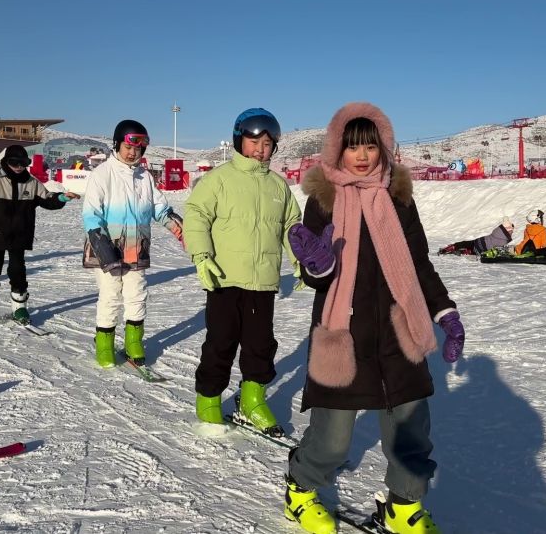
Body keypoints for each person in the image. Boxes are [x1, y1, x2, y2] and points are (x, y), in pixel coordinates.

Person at [283, 102, 464, 534]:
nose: (362, 155)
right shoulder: (323, 201)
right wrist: (318, 263)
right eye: (352, 146)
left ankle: (404, 506)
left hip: (401, 331)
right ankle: (301, 490)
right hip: (345, 331)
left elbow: (419, 264)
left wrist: (446, 311)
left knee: (411, 432)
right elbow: (318, 275)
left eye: (370, 145)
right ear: (336, 151)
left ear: (384, 148)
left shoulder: (399, 199)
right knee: (332, 437)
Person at [182, 108, 301, 434]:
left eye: (267, 143)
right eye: (254, 141)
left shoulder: (278, 186)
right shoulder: (219, 179)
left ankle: (252, 398)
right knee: (220, 341)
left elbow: (292, 227)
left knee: (260, 343)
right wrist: (202, 255)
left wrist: (302, 261)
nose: (261, 149)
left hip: (262, 281)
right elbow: (196, 214)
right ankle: (208, 398)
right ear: (239, 140)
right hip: (224, 278)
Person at [82, 119, 184, 369]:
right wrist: (103, 247)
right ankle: (105, 342)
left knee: (137, 294)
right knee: (110, 295)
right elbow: (91, 213)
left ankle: (133, 341)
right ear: (117, 145)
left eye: (138, 149)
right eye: (129, 147)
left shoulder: (144, 177)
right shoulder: (102, 174)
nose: (133, 153)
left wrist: (181, 230)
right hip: (106, 246)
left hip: (135, 247)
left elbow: (159, 209)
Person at [0, 145, 79, 323]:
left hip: (19, 234)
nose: (18, 167)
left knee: (17, 271)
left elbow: (47, 198)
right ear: (5, 162)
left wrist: (61, 198)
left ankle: (19, 307)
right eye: (14, 162)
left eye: (23, 163)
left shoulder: (31, 182)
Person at [437, 217, 514, 255]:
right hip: (482, 248)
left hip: (480, 240)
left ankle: (451, 247)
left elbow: (506, 224)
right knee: (472, 251)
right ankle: (463, 252)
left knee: (465, 243)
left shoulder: (497, 231)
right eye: (511, 231)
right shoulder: (504, 240)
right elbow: (497, 250)